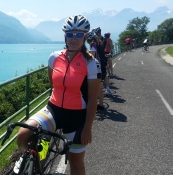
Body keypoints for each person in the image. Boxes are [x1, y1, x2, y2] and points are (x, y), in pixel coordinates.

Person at [14, 15, 101, 175]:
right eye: (70, 34)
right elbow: (53, 84)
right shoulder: (54, 57)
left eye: (79, 34)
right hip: (53, 110)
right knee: (22, 134)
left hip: (76, 117)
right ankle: (28, 160)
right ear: (65, 36)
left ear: (85, 37)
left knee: (76, 162)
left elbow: (93, 98)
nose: (74, 39)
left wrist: (88, 128)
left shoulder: (91, 63)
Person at [87, 32, 105, 110]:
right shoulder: (99, 43)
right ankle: (101, 104)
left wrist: (86, 53)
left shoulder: (93, 44)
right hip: (101, 64)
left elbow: (92, 56)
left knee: (98, 87)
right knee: (100, 86)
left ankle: (99, 104)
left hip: (96, 66)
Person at [95, 27, 112, 96]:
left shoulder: (97, 40)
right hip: (103, 57)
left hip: (99, 59)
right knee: (104, 74)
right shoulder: (103, 39)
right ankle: (107, 89)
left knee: (99, 75)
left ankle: (100, 92)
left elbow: (96, 51)